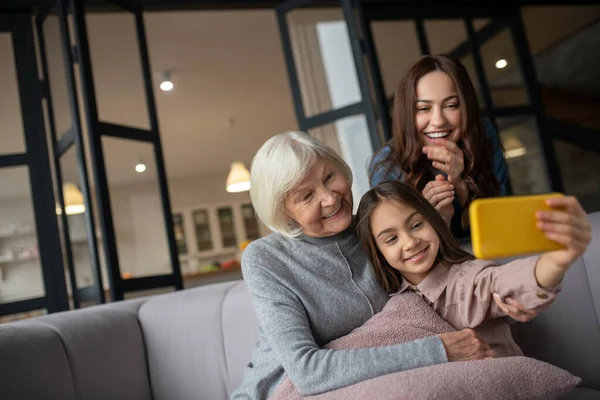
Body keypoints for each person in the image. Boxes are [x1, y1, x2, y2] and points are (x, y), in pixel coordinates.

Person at [232, 131, 537, 399]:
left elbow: (444, 284)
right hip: (278, 391)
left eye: (329, 177)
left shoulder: (378, 228)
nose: (329, 198)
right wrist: (438, 350)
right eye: (306, 195)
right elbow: (308, 372)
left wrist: (501, 299)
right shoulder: (267, 258)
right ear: (284, 212)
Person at [356, 181, 591, 356]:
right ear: (378, 252)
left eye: (416, 225)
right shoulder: (392, 300)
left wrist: (558, 260)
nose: (410, 242)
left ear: (432, 221)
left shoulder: (467, 278)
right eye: (391, 239)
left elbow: (505, 282)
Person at [369, 54, 508, 238]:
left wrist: (460, 184)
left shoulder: (484, 135)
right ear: (407, 114)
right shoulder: (387, 164)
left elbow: (500, 227)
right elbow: (401, 249)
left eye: (451, 105)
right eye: (424, 109)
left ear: (466, 106)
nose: (438, 121)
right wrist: (429, 217)